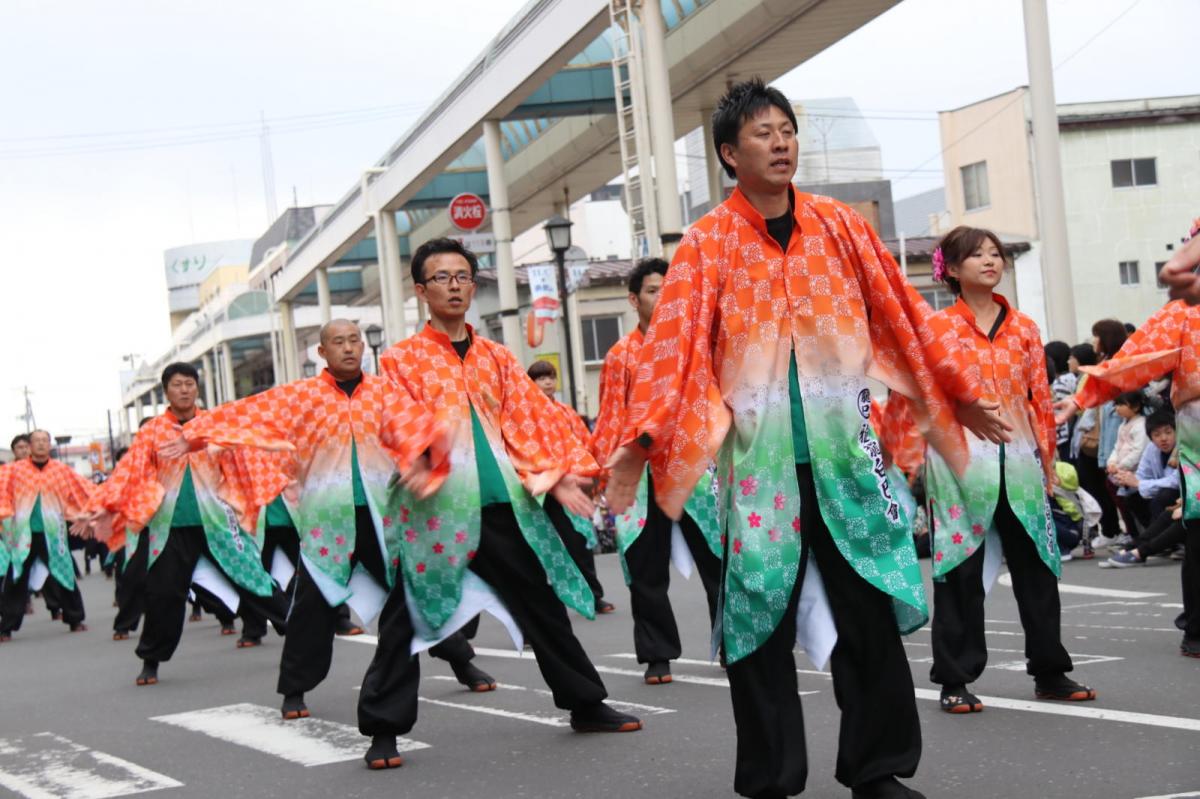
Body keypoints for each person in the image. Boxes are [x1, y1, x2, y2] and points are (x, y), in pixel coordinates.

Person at [605, 79, 1011, 799]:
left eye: (787, 128)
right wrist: (639, 443)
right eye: (761, 133)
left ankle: (877, 769)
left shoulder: (842, 227)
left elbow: (906, 316)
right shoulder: (706, 244)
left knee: (869, 622)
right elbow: (673, 353)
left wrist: (953, 388)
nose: (781, 141)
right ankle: (770, 779)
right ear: (730, 154)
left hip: (848, 461)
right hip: (759, 472)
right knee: (758, 629)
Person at [377, 237, 641, 767]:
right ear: (420, 290)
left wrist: (560, 473)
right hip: (438, 512)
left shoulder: (497, 357)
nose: (453, 286)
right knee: (404, 617)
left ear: (473, 286)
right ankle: (383, 730)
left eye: (462, 276)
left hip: (501, 507)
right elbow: (394, 425)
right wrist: (424, 461)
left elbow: (531, 422)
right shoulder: (400, 361)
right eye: (441, 278)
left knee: (541, 605)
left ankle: (585, 703)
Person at [178, 320, 496, 752]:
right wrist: (197, 432)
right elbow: (250, 412)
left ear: (363, 347)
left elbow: (425, 431)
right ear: (321, 353)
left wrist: (431, 465)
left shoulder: (386, 393)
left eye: (354, 341)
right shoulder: (301, 397)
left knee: (412, 598)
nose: (348, 349)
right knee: (312, 605)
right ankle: (294, 688)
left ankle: (462, 663)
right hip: (327, 522)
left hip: (385, 518)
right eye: (338, 342)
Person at [896, 226, 1094, 715]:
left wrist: (1048, 460)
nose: (990, 261)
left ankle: (1050, 670)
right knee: (958, 573)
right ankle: (954, 679)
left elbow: (1039, 399)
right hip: (961, 467)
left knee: (1038, 569)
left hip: (1022, 462)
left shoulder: (1025, 328)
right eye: (976, 255)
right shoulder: (937, 329)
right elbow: (918, 397)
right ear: (952, 270)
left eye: (995, 253)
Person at [86, 363, 290, 685]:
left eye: (190, 384)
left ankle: (295, 628)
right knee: (163, 595)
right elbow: (129, 472)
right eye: (178, 385)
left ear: (197, 388)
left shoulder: (215, 423)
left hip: (218, 520)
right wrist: (102, 506)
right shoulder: (152, 431)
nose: (184, 390)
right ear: (166, 391)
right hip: (169, 525)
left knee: (253, 578)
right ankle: (150, 660)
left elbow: (244, 453)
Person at [588, 257, 722, 684]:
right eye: (651, 291)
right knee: (646, 570)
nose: (662, 298)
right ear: (634, 299)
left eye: (668, 289)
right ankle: (657, 655)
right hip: (641, 476)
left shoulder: (694, 345)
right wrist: (600, 472)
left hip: (691, 470)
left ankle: (734, 645)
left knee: (718, 562)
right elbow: (610, 417)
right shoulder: (620, 356)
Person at [1055, 298, 1200, 657]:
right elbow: (1132, 362)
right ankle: (1196, 628)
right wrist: (1081, 400)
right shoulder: (1185, 311)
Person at [527, 359, 614, 615]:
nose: (547, 382)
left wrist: (592, 476)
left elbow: (584, 445)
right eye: (541, 378)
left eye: (551, 377)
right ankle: (544, 606)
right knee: (538, 547)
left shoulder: (566, 412)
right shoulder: (525, 413)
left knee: (579, 541)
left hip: (571, 483)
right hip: (539, 487)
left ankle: (593, 595)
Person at [0, 429, 94, 639]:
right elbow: (2, 492)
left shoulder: (61, 470)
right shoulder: (14, 470)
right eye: (37, 441)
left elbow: (82, 490)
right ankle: (5, 627)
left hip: (53, 532)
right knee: (16, 578)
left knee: (64, 573)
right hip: (23, 534)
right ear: (30, 446)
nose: (41, 444)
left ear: (49, 445)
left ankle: (75, 618)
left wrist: (91, 512)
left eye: (45, 440)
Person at [1107, 391, 1150, 535]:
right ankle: (1136, 535)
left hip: (1136, 472)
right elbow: (1116, 447)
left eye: (1121, 404)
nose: (1117, 408)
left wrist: (1119, 466)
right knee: (1128, 505)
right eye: (1116, 404)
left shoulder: (1141, 424)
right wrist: (1112, 462)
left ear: (1136, 406)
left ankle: (1145, 535)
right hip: (1122, 471)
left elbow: (1139, 451)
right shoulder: (1122, 425)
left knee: (1139, 505)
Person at [1046, 341, 1077, 462]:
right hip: (1066, 433)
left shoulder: (1059, 383)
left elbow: (1059, 412)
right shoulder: (1071, 377)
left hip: (1061, 437)